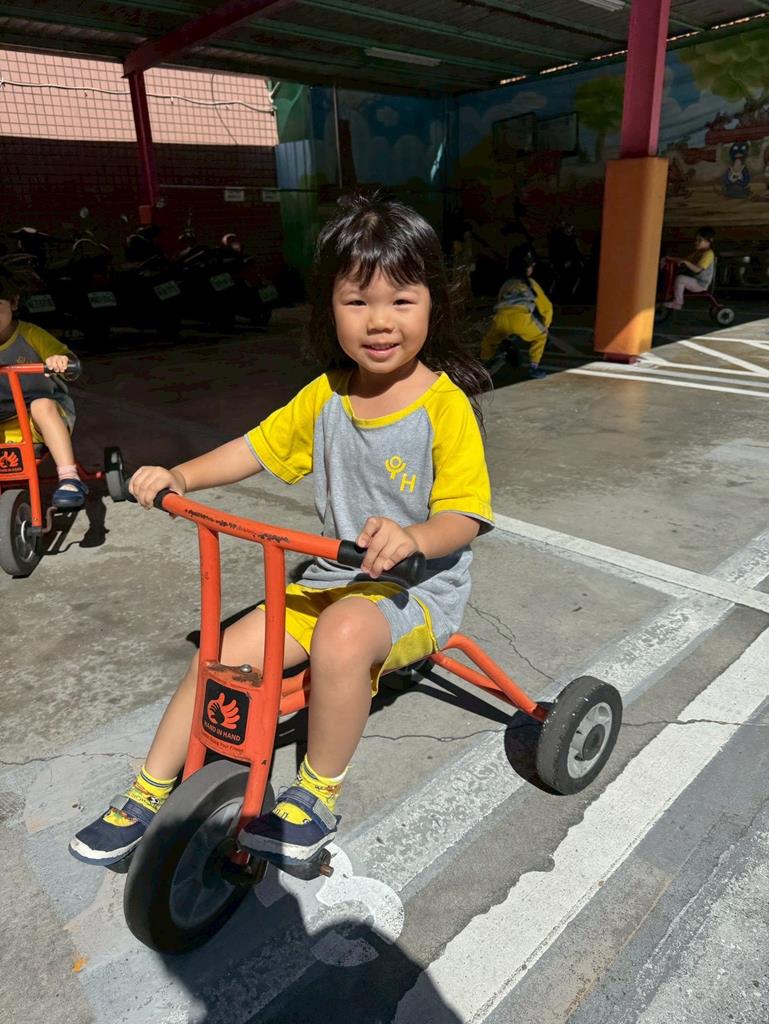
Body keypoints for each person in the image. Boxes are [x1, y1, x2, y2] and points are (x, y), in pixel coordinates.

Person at [69, 193, 494, 868]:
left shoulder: (445, 408)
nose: (379, 321)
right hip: (331, 576)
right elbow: (253, 448)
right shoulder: (326, 395)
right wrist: (179, 476)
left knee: (342, 635)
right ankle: (150, 788)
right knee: (220, 653)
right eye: (356, 301)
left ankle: (317, 794)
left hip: (411, 591)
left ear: (432, 306)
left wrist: (416, 538)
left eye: (400, 300)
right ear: (329, 307)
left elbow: (463, 515)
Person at [0, 269, 87, 508]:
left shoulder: (30, 334)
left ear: (14, 302)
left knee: (41, 404)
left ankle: (70, 478)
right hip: (4, 420)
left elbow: (68, 362)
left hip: (39, 418)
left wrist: (59, 360)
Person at [479, 248, 552, 380]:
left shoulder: (506, 283)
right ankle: (534, 367)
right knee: (541, 336)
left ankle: (485, 362)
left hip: (500, 318)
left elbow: (500, 300)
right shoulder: (530, 283)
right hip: (522, 319)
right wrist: (546, 324)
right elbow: (547, 307)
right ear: (527, 268)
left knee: (488, 340)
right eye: (531, 265)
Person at [663, 226, 716, 311]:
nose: (696, 242)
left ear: (709, 241)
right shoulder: (698, 252)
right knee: (679, 276)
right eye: (696, 240)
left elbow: (697, 269)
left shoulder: (708, 254)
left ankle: (677, 303)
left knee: (680, 279)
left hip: (700, 284)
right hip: (694, 280)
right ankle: (671, 296)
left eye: (700, 240)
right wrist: (669, 258)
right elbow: (684, 259)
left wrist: (686, 262)